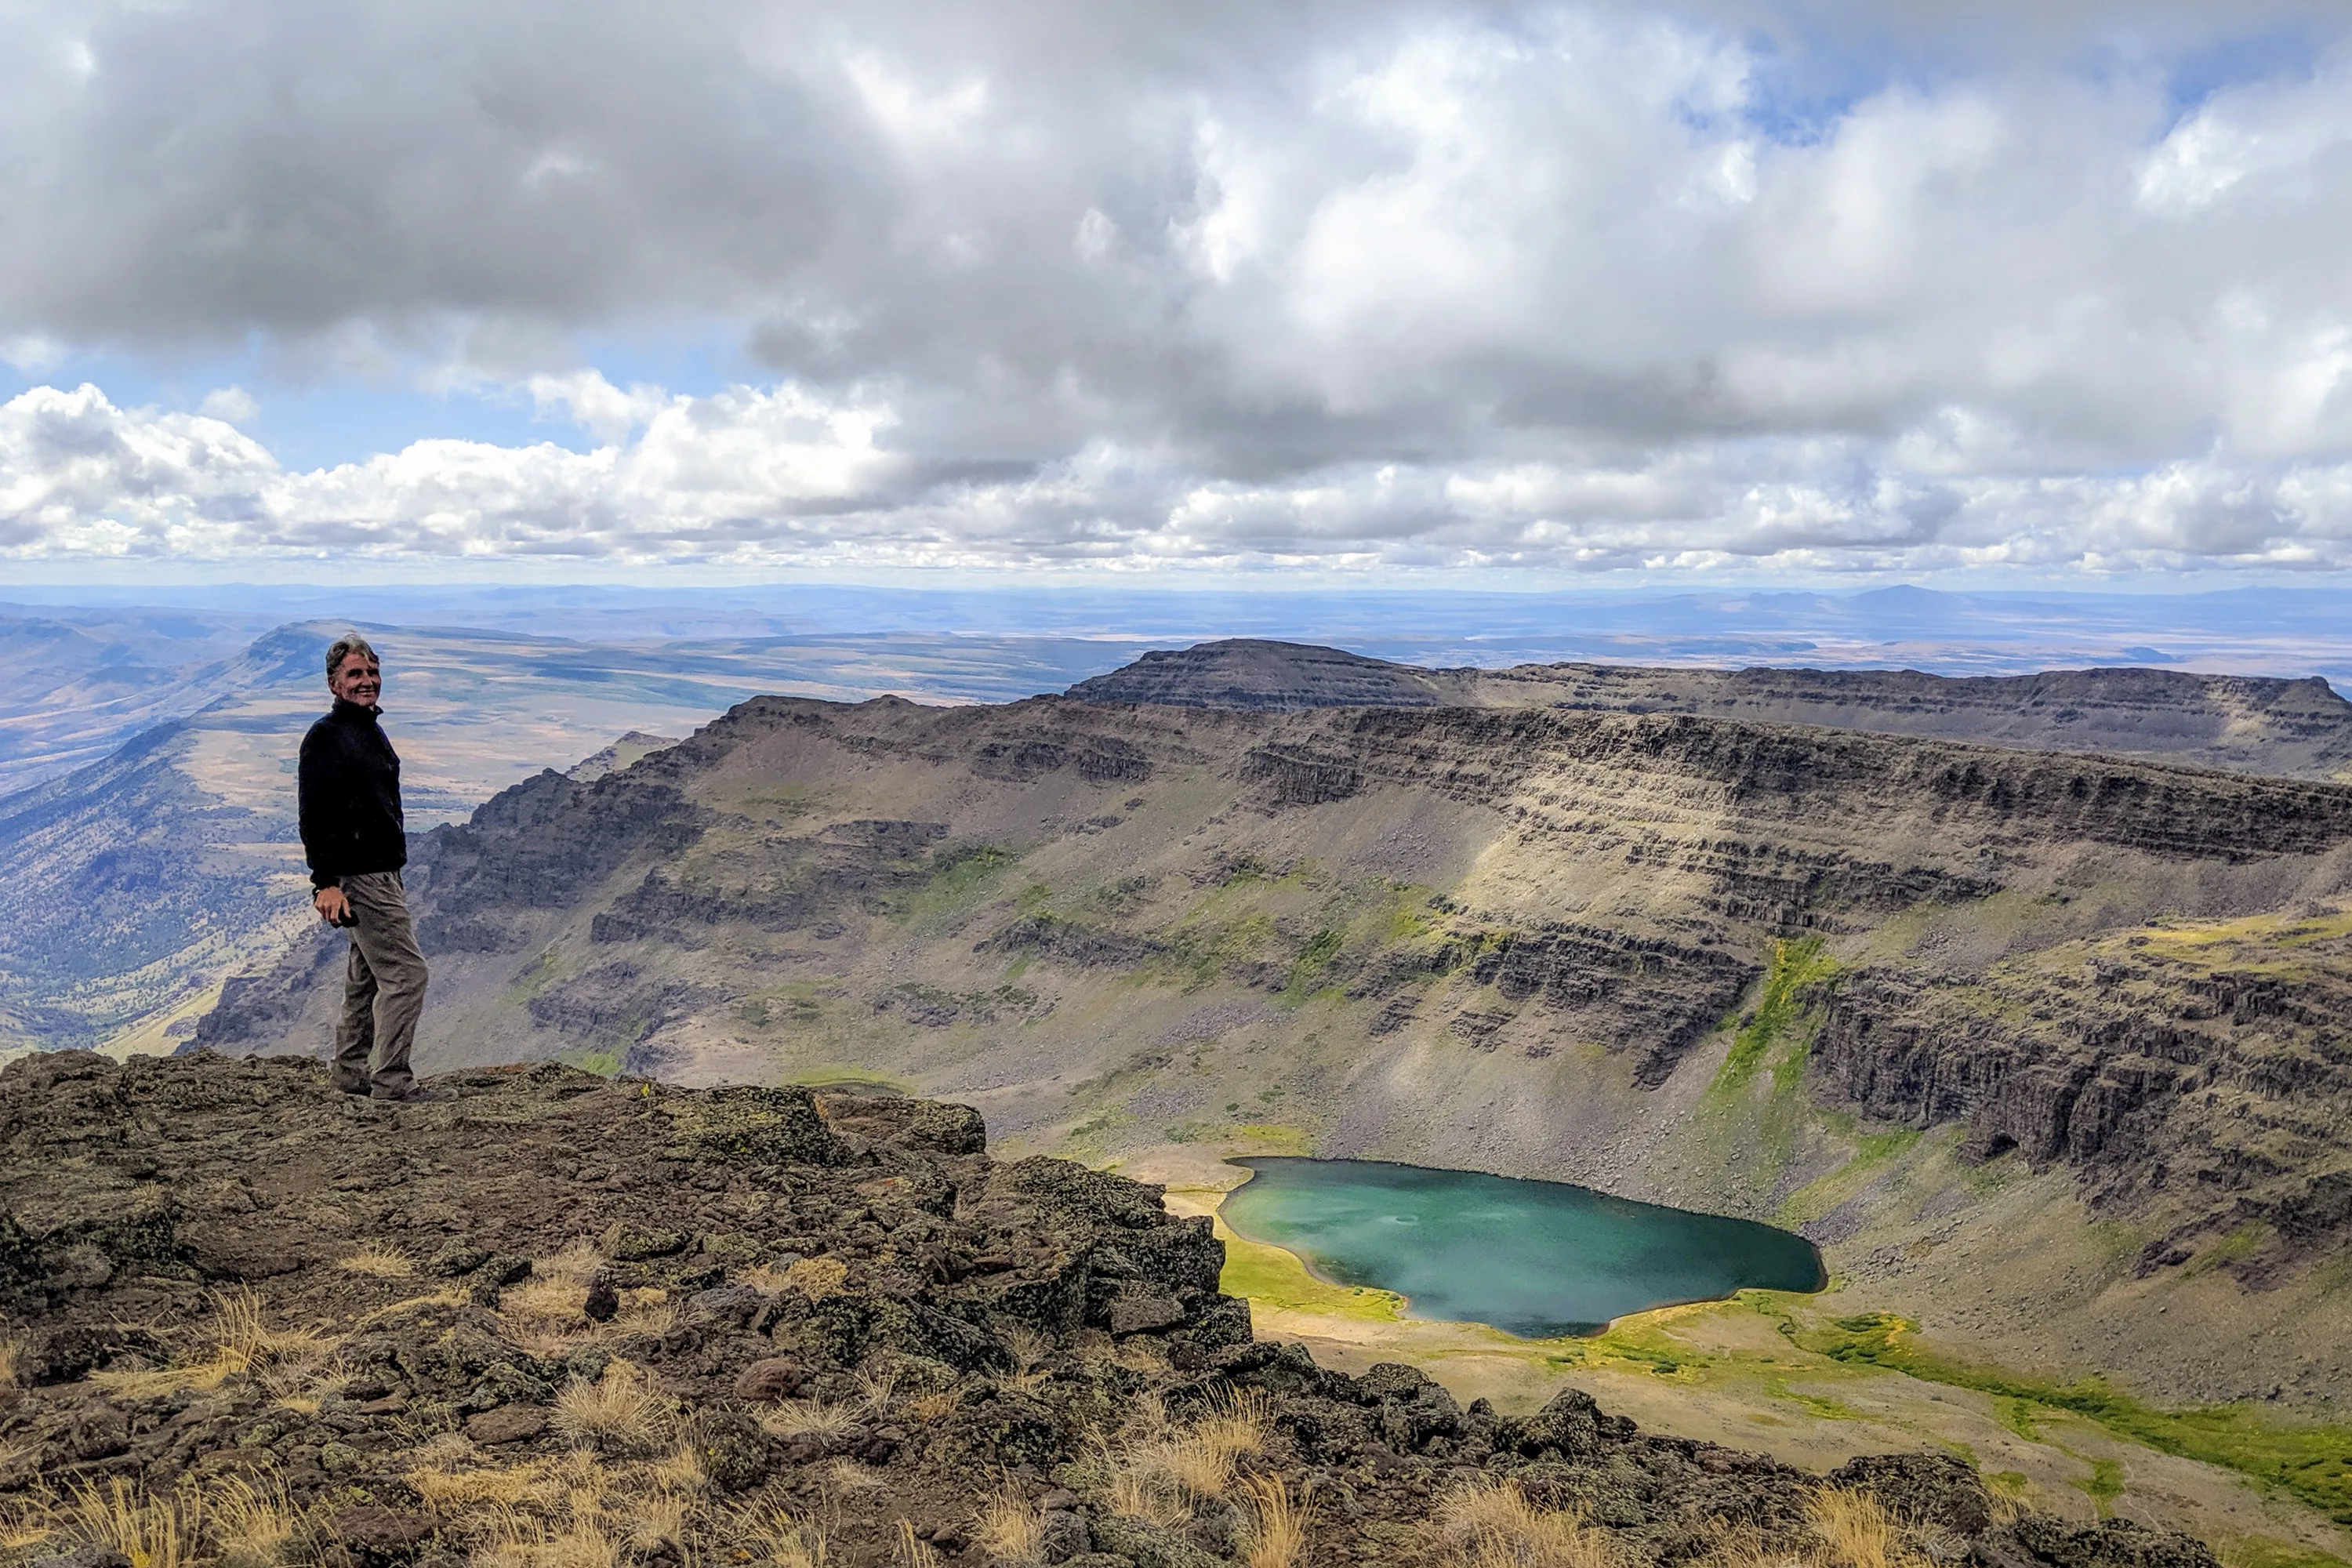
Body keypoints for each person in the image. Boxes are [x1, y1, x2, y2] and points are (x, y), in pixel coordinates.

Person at [299, 633, 431, 1101]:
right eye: (355, 674)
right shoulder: (327, 737)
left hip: (381, 873)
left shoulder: (366, 727)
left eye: (372, 673)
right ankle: (393, 1083)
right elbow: (315, 814)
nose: (367, 681)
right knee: (407, 976)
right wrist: (326, 883)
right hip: (361, 876)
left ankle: (349, 1078)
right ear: (334, 682)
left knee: (366, 979)